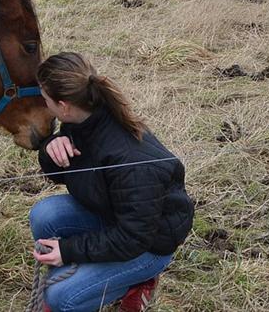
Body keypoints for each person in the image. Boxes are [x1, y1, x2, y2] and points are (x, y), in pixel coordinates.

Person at [30, 52, 194, 312]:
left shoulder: (130, 160)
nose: (43, 104)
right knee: (45, 215)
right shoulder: (83, 118)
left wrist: (69, 250)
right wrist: (52, 146)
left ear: (63, 105)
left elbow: (133, 237)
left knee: (60, 297)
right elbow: (61, 174)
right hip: (115, 216)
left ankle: (139, 280)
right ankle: (83, 277)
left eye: (45, 98)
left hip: (148, 245)